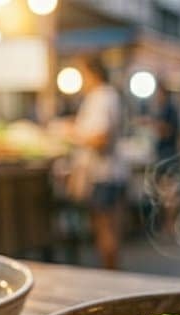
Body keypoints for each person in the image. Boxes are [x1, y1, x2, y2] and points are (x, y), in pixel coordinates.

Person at [66, 57, 126, 269]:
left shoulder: (101, 97)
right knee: (109, 228)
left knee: (105, 228)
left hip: (103, 173)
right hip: (111, 172)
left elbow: (100, 138)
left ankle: (111, 277)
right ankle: (113, 276)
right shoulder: (107, 96)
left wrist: (72, 133)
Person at [153, 82, 179, 163]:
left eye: (158, 94)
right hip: (164, 150)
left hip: (168, 151)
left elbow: (168, 131)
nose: (156, 97)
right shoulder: (163, 108)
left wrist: (154, 125)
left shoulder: (169, 109)